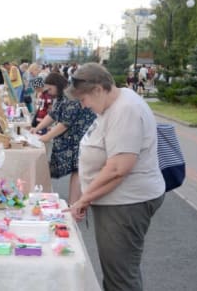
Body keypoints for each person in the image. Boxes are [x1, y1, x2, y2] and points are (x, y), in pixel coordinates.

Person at [67, 63, 165, 291]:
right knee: (119, 270)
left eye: (84, 99)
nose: (84, 105)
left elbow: (118, 168)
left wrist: (84, 198)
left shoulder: (125, 110)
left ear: (99, 89)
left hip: (125, 204)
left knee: (120, 277)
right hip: (119, 201)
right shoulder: (117, 101)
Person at [31, 72, 96, 205]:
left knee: (77, 170)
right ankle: (74, 203)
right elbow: (53, 115)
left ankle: (74, 204)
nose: (48, 92)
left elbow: (65, 123)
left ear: (57, 85)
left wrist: (46, 137)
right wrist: (37, 128)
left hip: (80, 135)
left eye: (49, 89)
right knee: (76, 169)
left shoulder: (70, 96)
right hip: (74, 135)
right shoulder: (62, 95)